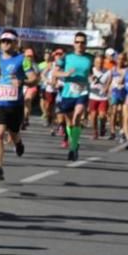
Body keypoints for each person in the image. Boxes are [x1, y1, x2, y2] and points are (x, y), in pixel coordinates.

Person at [0, 29, 37, 180]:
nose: (5, 44)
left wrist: (22, 82)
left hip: (15, 105)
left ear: (16, 43)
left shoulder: (23, 59)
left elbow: (34, 79)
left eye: (9, 41)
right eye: (3, 41)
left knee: (14, 133)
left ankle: (19, 143)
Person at [53, 32, 95, 161]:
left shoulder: (90, 58)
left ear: (86, 44)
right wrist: (65, 74)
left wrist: (91, 77)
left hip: (83, 91)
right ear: (73, 43)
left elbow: (91, 72)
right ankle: (74, 141)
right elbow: (55, 72)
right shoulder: (67, 57)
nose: (80, 44)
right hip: (68, 92)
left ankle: (72, 149)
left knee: (77, 115)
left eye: (82, 42)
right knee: (69, 122)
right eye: (77, 42)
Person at [87, 53, 111, 139]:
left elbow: (109, 83)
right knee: (93, 116)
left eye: (101, 62)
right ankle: (95, 132)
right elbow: (87, 81)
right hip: (93, 96)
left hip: (103, 97)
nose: (99, 64)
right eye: (97, 62)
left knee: (102, 115)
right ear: (94, 62)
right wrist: (90, 79)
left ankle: (102, 126)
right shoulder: (90, 71)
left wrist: (106, 88)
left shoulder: (108, 72)